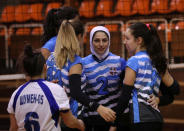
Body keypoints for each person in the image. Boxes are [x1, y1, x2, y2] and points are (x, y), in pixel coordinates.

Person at [115, 22, 180, 131]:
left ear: (139, 40)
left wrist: (114, 121)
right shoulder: (156, 61)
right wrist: (158, 100)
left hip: (139, 121)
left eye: (127, 38)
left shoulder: (134, 61)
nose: (124, 41)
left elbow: (125, 96)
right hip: (156, 120)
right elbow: (175, 90)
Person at [7, 44, 85, 131]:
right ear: (45, 68)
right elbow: (70, 122)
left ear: (25, 71)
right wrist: (81, 124)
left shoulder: (15, 95)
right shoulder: (55, 90)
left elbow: (13, 128)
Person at [80, 26, 128, 131]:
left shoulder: (120, 62)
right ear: (91, 42)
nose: (101, 44)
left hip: (117, 117)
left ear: (109, 41)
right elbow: (80, 94)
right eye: (97, 40)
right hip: (94, 118)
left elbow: (126, 93)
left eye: (104, 40)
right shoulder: (82, 63)